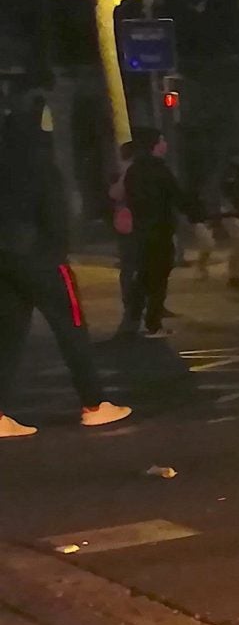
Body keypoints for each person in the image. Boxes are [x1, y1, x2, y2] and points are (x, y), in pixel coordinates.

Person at [0, 99, 131, 435]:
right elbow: (55, 212)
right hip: (41, 256)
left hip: (5, 257)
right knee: (71, 327)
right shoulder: (40, 164)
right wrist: (59, 249)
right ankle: (93, 403)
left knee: (8, 336)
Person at [112, 127, 194, 338]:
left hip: (142, 231)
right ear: (154, 145)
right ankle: (153, 323)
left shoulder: (134, 170)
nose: (165, 144)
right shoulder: (159, 170)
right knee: (157, 279)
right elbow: (177, 196)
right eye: (162, 140)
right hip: (159, 230)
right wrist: (197, 213)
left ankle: (133, 320)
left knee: (144, 278)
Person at [205, 156, 239, 289]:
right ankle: (234, 277)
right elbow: (232, 200)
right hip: (232, 214)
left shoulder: (235, 181)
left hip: (232, 213)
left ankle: (235, 276)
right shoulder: (236, 181)